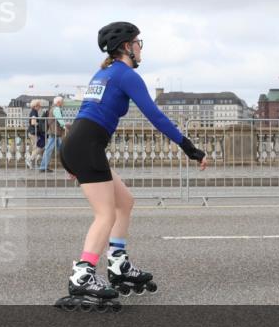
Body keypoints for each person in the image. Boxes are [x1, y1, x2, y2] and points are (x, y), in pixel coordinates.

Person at [56, 22, 207, 310]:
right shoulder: (126, 75)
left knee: (124, 201)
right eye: (138, 43)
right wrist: (190, 148)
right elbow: (156, 116)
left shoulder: (104, 73)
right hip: (86, 146)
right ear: (127, 47)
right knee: (105, 214)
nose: (140, 47)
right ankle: (83, 275)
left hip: (78, 144)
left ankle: (118, 263)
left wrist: (71, 157)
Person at [39, 95, 66, 172]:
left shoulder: (52, 108)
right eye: (62, 102)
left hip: (54, 132)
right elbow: (60, 119)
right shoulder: (56, 109)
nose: (63, 103)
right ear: (58, 102)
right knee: (49, 149)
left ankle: (68, 164)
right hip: (55, 132)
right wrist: (64, 126)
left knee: (61, 149)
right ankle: (43, 167)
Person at [26, 99, 46, 169]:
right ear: (35, 106)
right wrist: (39, 124)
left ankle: (32, 163)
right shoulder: (34, 112)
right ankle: (30, 160)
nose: (40, 107)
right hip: (33, 133)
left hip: (32, 132)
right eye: (39, 106)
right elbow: (33, 122)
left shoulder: (34, 112)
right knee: (38, 147)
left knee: (36, 148)